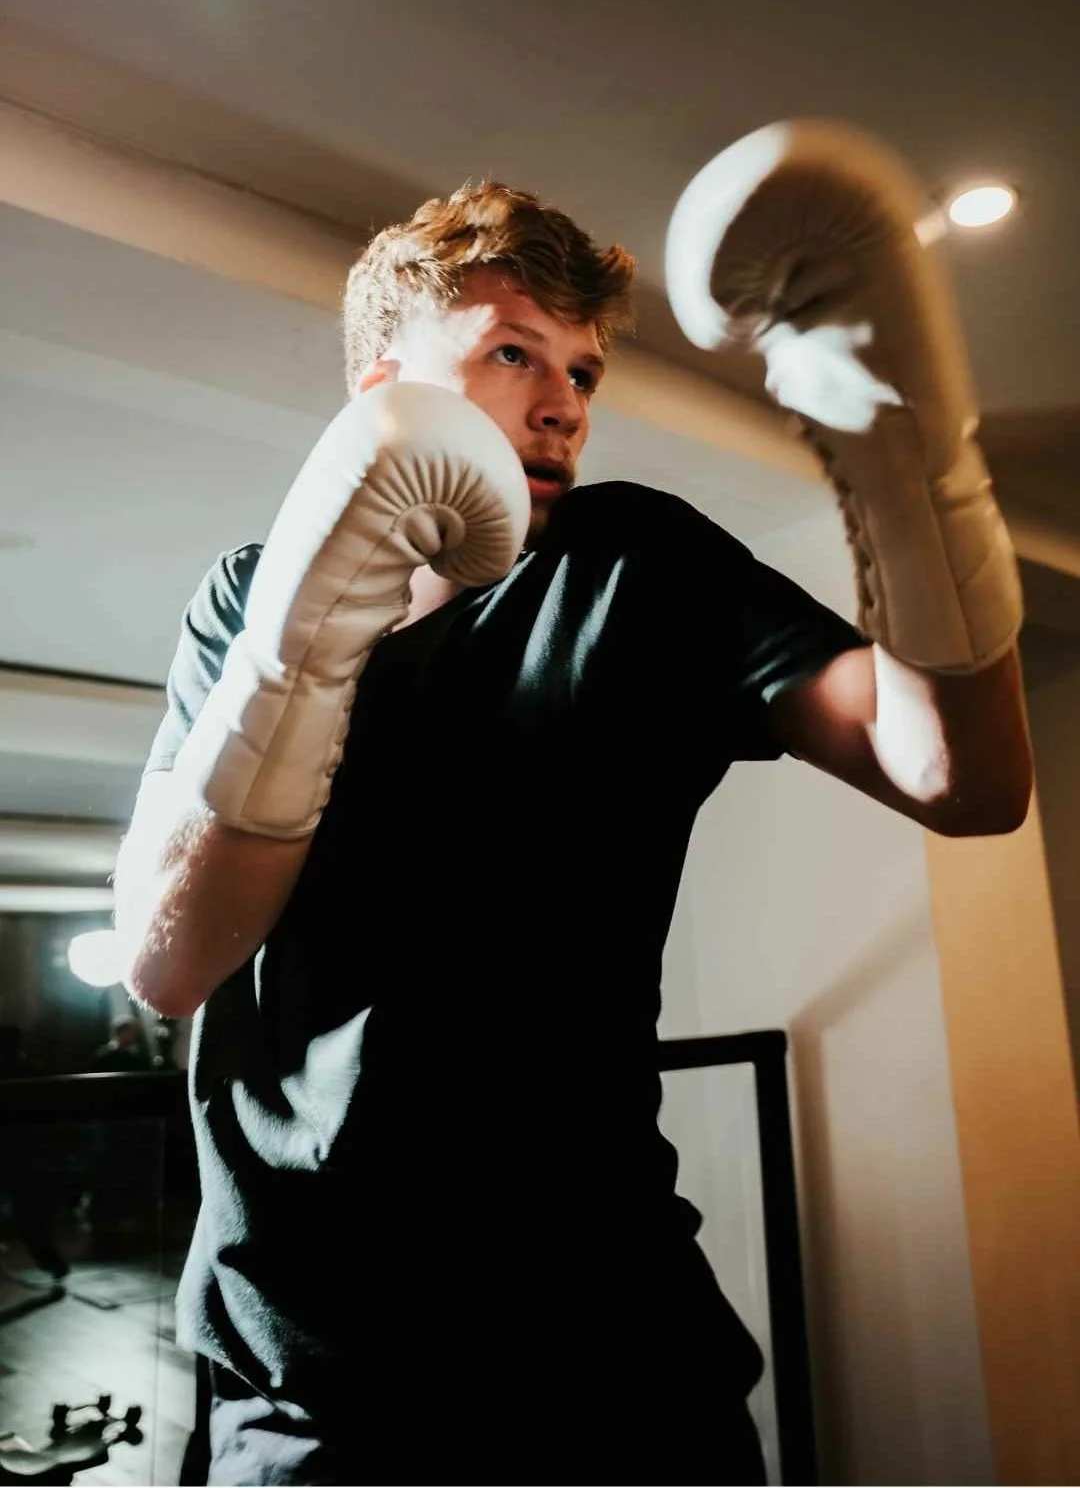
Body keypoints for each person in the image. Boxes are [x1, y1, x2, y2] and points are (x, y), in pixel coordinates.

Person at [114, 132, 1033, 1486]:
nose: (563, 406)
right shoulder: (242, 595)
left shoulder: (635, 566)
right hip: (311, 1381)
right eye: (511, 353)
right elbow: (171, 960)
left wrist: (903, 461)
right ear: (383, 385)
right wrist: (299, 640)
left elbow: (964, 780)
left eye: (582, 372)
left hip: (611, 1356)